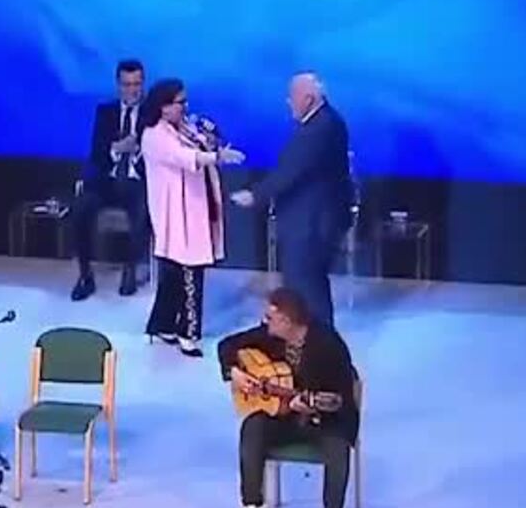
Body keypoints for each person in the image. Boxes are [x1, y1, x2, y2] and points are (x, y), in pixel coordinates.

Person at [220, 287, 360, 508]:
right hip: (284, 416)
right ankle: (253, 507)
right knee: (252, 427)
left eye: (270, 317)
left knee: (338, 447)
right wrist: (233, 372)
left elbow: (341, 398)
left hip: (326, 419)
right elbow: (226, 345)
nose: (265, 322)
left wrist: (311, 406)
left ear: (286, 321)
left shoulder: (328, 344)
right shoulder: (270, 336)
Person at [230, 72, 352, 329]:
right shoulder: (324, 121)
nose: (288, 102)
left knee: (306, 285)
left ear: (308, 99)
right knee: (306, 284)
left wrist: (256, 195)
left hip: (312, 224)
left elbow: (291, 170)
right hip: (311, 221)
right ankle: (309, 339)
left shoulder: (320, 128)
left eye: (292, 97)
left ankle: (318, 341)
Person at [140, 79, 244, 356]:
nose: (185, 107)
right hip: (177, 215)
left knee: (173, 273)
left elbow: (202, 144)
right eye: (180, 102)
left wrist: (211, 139)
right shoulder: (154, 135)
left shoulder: (184, 127)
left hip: (195, 206)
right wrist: (217, 157)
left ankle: (163, 325)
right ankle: (188, 334)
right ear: (163, 107)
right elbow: (185, 157)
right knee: (189, 272)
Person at [71, 59, 150, 301]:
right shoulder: (105, 112)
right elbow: (97, 153)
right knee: (81, 207)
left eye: (136, 84)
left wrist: (138, 149)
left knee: (142, 207)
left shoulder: (152, 114)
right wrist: (116, 148)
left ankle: (130, 270)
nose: (132, 90)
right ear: (118, 85)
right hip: (108, 180)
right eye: (127, 85)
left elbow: (161, 154)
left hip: (138, 181)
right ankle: (85, 276)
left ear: (143, 84)